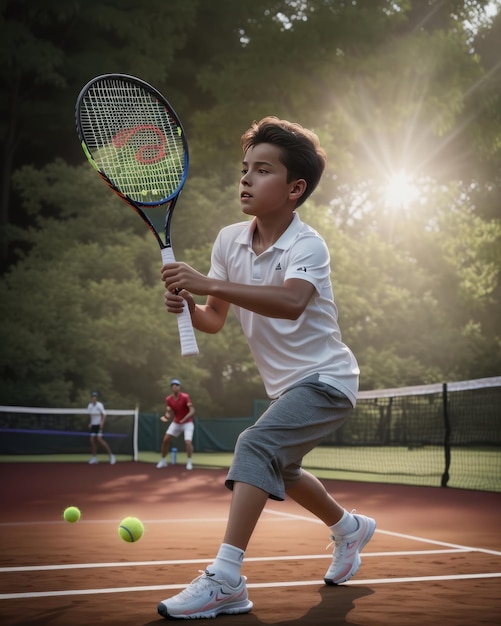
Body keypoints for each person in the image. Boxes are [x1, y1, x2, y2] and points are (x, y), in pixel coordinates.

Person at [156, 117, 375, 620]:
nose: (246, 180)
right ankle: (348, 528)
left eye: (262, 170)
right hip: (287, 388)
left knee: (254, 444)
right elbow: (214, 321)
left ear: (295, 188)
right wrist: (190, 305)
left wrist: (208, 284)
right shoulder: (229, 241)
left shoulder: (307, 245)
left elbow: (291, 302)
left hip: (327, 379)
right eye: (244, 169)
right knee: (285, 467)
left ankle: (226, 577)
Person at [156, 379, 195, 470]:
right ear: (171, 388)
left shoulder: (185, 397)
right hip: (176, 422)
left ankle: (189, 462)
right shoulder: (168, 399)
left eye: (177, 385)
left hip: (187, 423)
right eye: (173, 385)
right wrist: (167, 415)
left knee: (188, 442)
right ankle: (163, 461)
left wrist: (185, 418)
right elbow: (168, 410)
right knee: (166, 439)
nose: (175, 386)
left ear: (179, 387)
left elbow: (192, 410)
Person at [87, 392, 116, 465]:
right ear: (91, 398)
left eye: (95, 397)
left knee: (99, 439)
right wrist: (90, 423)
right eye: (93, 397)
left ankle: (111, 456)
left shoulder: (99, 405)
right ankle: (94, 458)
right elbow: (90, 415)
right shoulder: (89, 406)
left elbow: (104, 414)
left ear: (96, 398)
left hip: (99, 425)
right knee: (92, 440)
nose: (94, 398)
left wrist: (102, 422)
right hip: (93, 425)